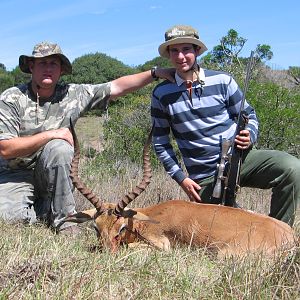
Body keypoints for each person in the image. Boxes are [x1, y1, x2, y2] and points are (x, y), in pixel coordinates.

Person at [0, 41, 174, 234]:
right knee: (10, 220)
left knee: (60, 148)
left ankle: (65, 223)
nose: (48, 68)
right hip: (15, 174)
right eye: (42, 63)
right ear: (31, 66)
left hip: (53, 173)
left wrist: (155, 73)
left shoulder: (72, 94)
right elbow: (6, 149)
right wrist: (53, 133)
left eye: (53, 64)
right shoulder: (12, 98)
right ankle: (42, 211)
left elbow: (116, 87)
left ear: (61, 70)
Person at [151, 24, 300, 226]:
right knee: (223, 231)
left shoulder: (222, 80)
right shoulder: (161, 94)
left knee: (291, 168)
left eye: (186, 49)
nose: (181, 56)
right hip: (203, 178)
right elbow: (160, 142)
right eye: (174, 50)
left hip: (239, 159)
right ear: (168, 54)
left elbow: (250, 115)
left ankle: (282, 235)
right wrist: (181, 179)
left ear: (196, 51)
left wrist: (250, 135)